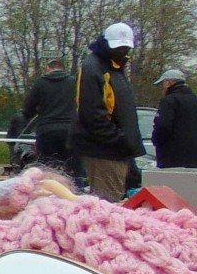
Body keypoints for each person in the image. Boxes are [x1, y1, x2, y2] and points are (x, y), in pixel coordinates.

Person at [70, 22, 144, 201]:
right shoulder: (94, 68)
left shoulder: (113, 68)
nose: (122, 52)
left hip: (117, 150)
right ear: (105, 43)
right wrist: (119, 139)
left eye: (125, 48)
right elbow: (91, 114)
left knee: (114, 201)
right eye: (119, 48)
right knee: (107, 204)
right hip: (104, 150)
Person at [19, 56, 75, 167]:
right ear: (63, 69)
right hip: (71, 130)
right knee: (74, 168)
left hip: (47, 131)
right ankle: (77, 183)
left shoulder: (40, 83)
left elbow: (28, 109)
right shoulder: (74, 82)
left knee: (48, 168)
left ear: (48, 69)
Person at [152, 68, 197, 168]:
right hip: (194, 155)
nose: (162, 87)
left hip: (172, 154)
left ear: (169, 82)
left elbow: (163, 125)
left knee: (170, 182)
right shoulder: (195, 100)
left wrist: (157, 140)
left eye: (163, 83)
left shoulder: (169, 101)